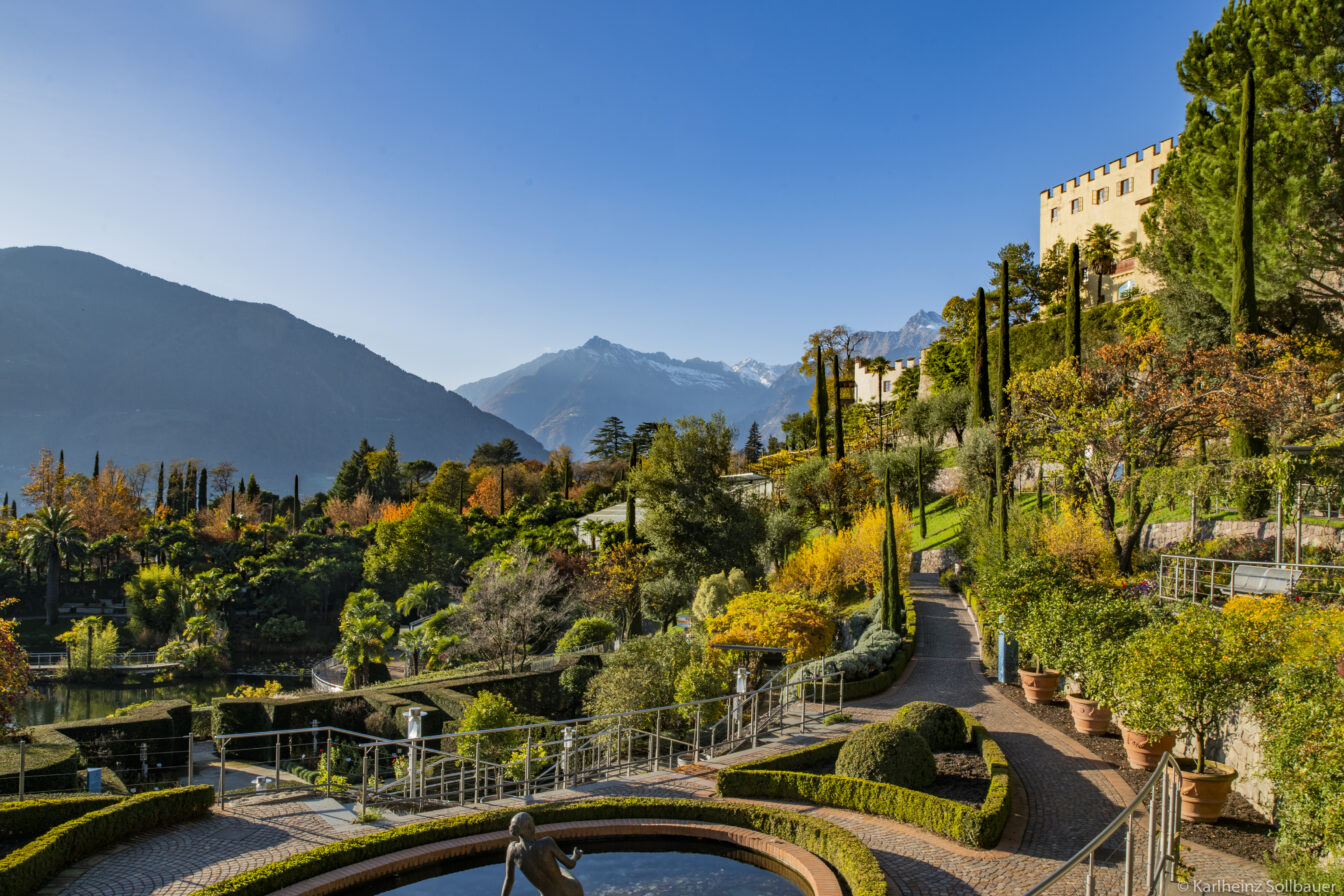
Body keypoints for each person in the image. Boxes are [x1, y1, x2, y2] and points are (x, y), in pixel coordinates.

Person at [500, 811, 583, 896]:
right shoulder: (547, 843)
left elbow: (509, 880)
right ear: (531, 828)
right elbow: (570, 865)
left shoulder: (512, 850)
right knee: (561, 869)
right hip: (571, 891)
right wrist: (575, 856)